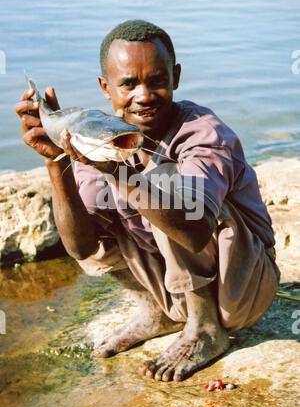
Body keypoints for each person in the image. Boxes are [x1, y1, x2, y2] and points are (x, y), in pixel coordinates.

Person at [16, 20, 280, 382]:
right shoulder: (102, 138)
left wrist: (118, 173)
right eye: (128, 83)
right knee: (90, 206)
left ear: (176, 77)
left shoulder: (202, 131)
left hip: (241, 288)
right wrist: (55, 162)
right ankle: (158, 309)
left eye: (157, 81)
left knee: (167, 188)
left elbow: (196, 226)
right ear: (105, 88)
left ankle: (205, 330)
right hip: (176, 292)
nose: (143, 95)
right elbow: (81, 247)